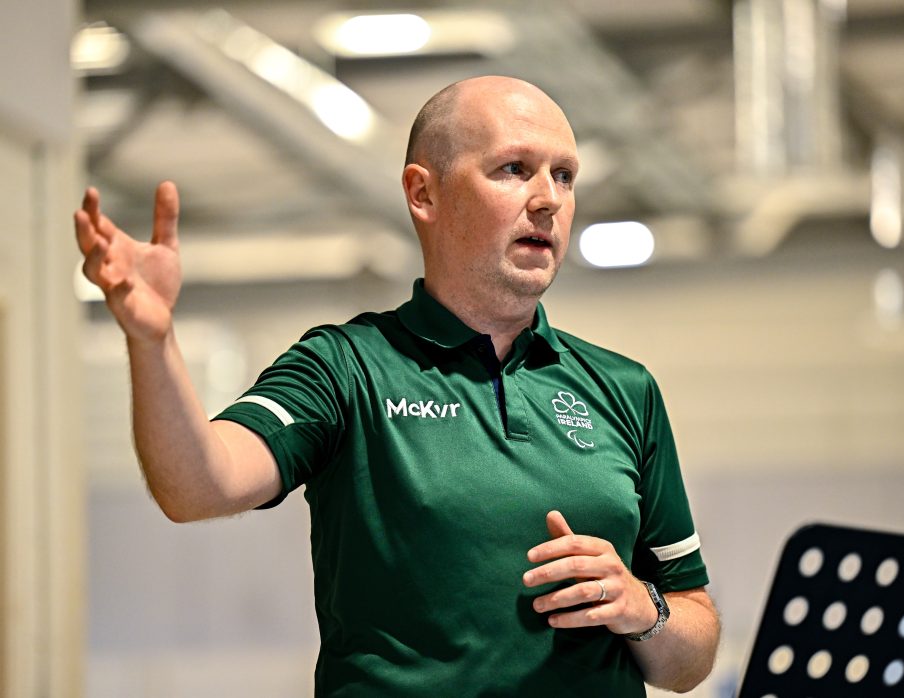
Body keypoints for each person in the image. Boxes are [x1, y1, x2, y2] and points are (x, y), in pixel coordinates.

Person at [74, 75, 720, 696]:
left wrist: (643, 607)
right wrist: (152, 343)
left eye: (565, 175)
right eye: (513, 169)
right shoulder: (345, 367)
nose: (549, 198)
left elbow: (690, 654)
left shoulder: (623, 388)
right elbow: (197, 486)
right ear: (423, 194)